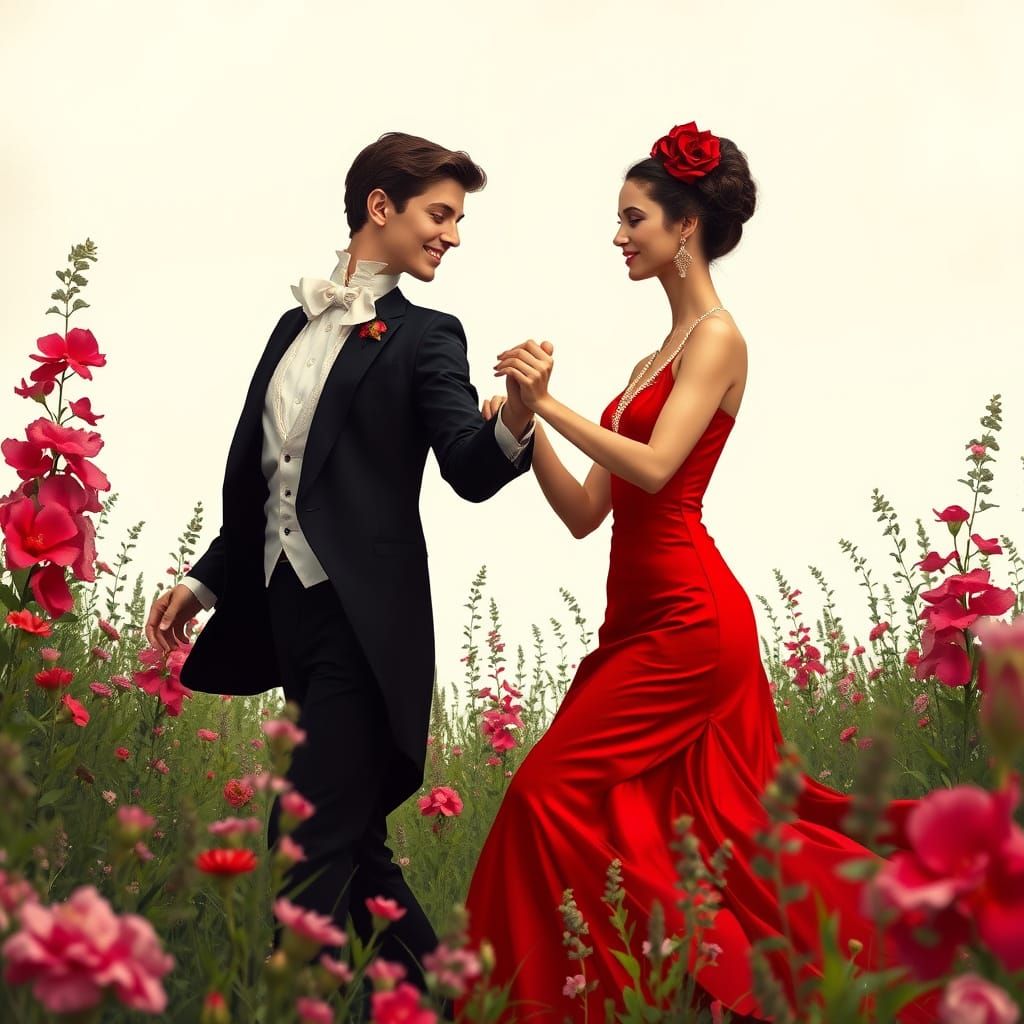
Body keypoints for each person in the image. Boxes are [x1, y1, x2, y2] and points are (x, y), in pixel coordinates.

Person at [458, 123, 937, 1022]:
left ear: (685, 228)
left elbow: (652, 469)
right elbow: (586, 514)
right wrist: (524, 423)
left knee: (542, 797)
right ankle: (669, 995)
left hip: (687, 620)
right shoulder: (652, 358)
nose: (618, 235)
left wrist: (552, 401)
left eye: (632, 217)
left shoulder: (718, 339)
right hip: (635, 619)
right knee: (668, 831)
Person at [143, 132, 537, 1014]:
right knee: (355, 859)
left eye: (459, 220)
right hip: (294, 623)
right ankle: (453, 1007)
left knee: (304, 851)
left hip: (367, 633)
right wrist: (207, 580)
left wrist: (515, 417)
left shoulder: (429, 335)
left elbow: (470, 468)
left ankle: (289, 1005)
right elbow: (272, 474)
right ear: (380, 208)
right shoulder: (292, 328)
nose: (454, 236)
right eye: (441, 215)